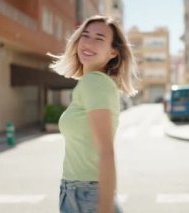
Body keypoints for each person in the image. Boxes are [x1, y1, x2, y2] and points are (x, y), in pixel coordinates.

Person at [49, 15, 137, 213]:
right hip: (78, 192)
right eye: (85, 35)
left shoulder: (95, 83)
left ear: (113, 52)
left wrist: (104, 208)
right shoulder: (91, 83)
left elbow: (106, 151)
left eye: (99, 38)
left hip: (86, 194)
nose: (88, 43)